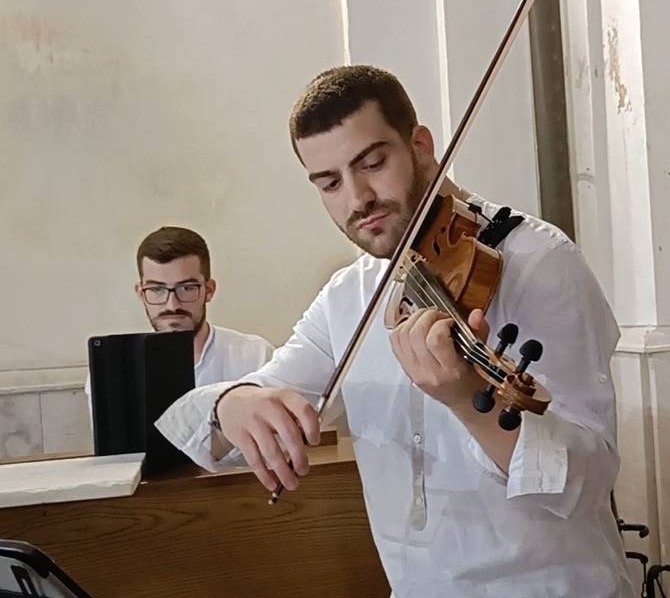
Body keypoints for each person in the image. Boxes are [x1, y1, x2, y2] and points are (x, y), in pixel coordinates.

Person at [157, 66, 635, 597]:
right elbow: (205, 423)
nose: (357, 198)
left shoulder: (539, 262)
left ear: (422, 146)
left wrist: (467, 399)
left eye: (373, 163)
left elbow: (588, 483)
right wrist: (234, 401)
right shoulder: (350, 296)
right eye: (330, 182)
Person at [85, 227, 274, 404]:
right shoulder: (112, 369)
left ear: (209, 290)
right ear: (141, 293)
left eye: (186, 288)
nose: (172, 305)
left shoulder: (256, 357)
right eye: (157, 289)